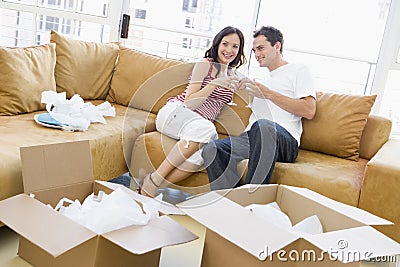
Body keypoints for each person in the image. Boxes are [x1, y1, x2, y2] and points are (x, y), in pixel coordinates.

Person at [202, 26, 316, 190]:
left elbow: (309, 110)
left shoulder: (298, 70)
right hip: (251, 137)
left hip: (283, 140)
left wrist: (268, 94)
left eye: (261, 48)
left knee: (263, 126)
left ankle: (251, 201)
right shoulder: (263, 79)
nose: (256, 54)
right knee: (212, 148)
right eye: (254, 50)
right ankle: (228, 202)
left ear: (277, 46)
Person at [138, 26, 247, 197]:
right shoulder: (206, 64)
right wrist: (215, 84)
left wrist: (244, 86)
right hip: (176, 113)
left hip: (196, 128)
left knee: (204, 156)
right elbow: (189, 102)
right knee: (208, 130)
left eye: (235, 46)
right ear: (217, 44)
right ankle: (154, 180)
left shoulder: (234, 75)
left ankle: (152, 183)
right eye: (225, 44)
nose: (229, 50)